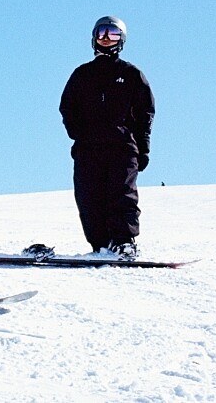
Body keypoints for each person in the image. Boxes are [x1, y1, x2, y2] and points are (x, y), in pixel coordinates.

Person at [59, 16, 155, 259]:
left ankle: (124, 242)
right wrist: (78, 133)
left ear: (121, 40)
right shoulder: (82, 75)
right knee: (88, 197)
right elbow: (67, 107)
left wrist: (143, 148)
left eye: (112, 33)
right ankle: (101, 246)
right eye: (101, 33)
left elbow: (145, 112)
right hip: (88, 149)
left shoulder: (131, 75)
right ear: (94, 38)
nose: (105, 38)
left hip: (121, 148)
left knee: (121, 193)